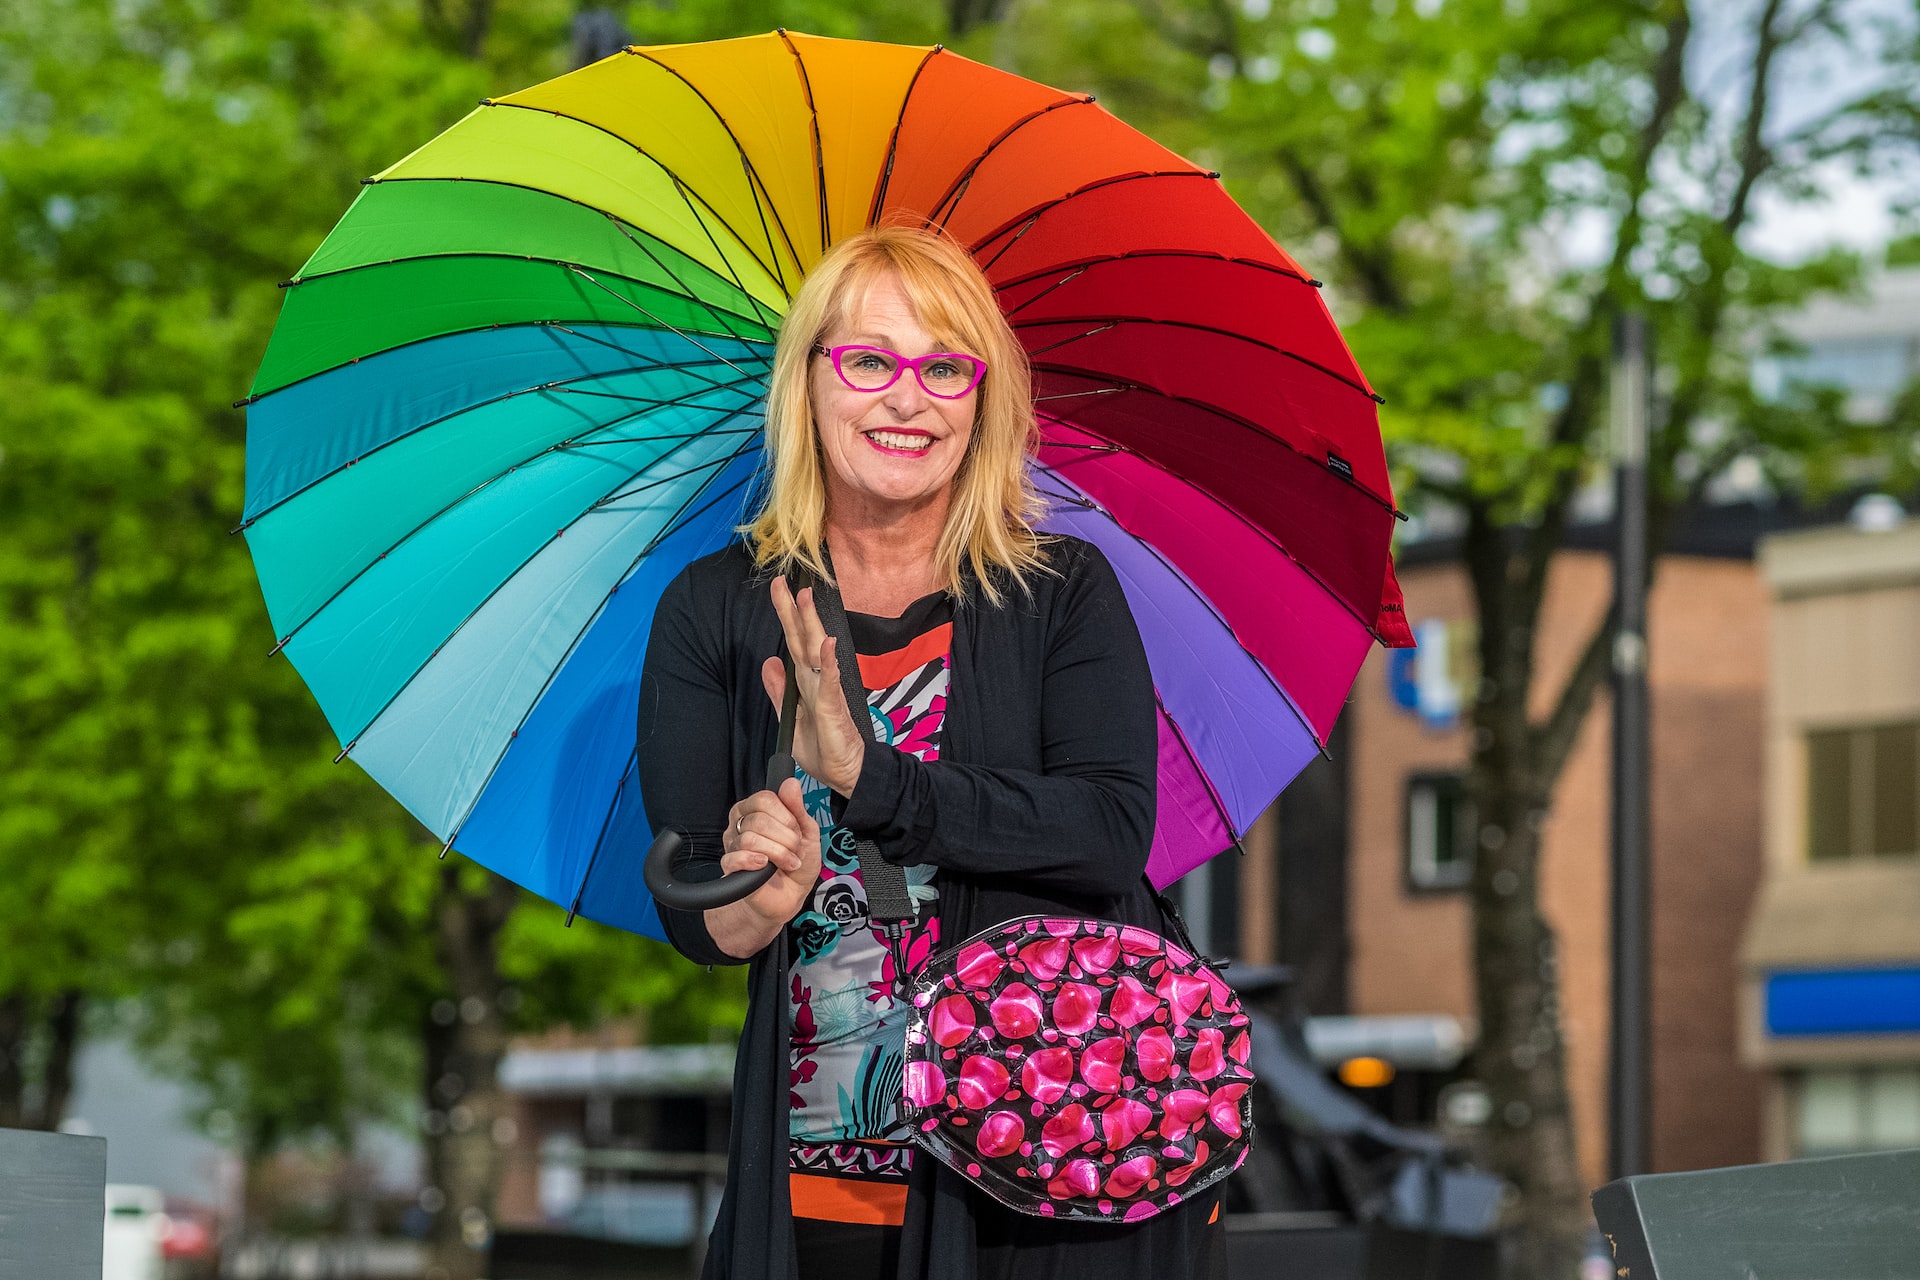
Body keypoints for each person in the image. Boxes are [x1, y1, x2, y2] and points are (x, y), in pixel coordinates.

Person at [637, 226, 1225, 1280]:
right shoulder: (713, 609)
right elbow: (696, 898)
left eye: (945, 368)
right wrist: (758, 894)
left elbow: (1104, 833)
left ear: (983, 400)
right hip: (824, 1172)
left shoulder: (1059, 592)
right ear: (808, 383)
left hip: (1044, 1163)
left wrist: (867, 776)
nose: (908, 399)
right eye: (869, 360)